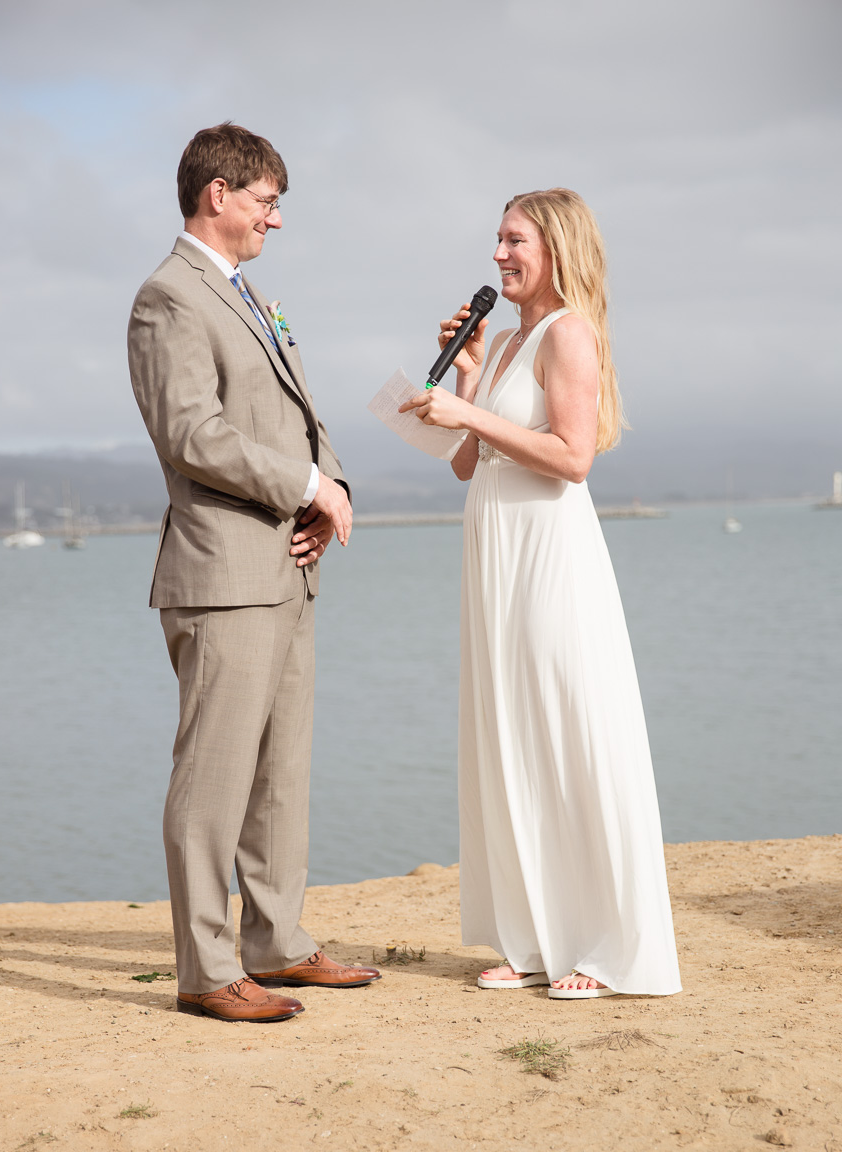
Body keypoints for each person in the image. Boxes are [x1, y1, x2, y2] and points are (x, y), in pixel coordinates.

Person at [127, 122, 381, 1023]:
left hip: (285, 567)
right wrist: (304, 484)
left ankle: (277, 943)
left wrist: (331, 486)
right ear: (218, 195)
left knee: (281, 771)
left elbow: (298, 419)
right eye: (269, 201)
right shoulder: (169, 298)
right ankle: (205, 970)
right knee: (215, 777)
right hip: (221, 578)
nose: (276, 220)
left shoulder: (248, 293)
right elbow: (191, 434)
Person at [400, 188, 680, 999]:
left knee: (568, 729)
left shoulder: (569, 335)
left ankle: (600, 947)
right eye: (496, 240)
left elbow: (572, 457)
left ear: (555, 248)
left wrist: (472, 414)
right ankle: (528, 939)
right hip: (494, 554)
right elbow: (465, 464)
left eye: (514, 240)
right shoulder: (505, 343)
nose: (498, 255)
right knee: (509, 733)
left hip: (551, 555)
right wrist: (462, 382)